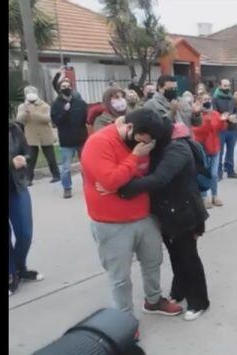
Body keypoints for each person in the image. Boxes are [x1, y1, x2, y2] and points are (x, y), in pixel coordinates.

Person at [80, 109, 183, 335]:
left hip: (144, 216)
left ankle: (153, 300)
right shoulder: (99, 143)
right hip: (111, 223)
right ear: (129, 128)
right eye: (141, 140)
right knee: (120, 277)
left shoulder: (147, 141)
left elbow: (133, 178)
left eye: (148, 142)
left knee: (153, 261)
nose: (145, 145)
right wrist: (134, 156)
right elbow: (109, 179)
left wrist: (121, 179)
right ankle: (124, 319)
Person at [110, 121, 211, 321]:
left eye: (142, 135)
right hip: (166, 212)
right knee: (176, 254)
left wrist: (122, 189)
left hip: (184, 212)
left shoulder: (178, 149)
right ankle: (179, 289)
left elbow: (159, 178)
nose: (139, 140)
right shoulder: (159, 147)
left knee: (188, 256)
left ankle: (199, 300)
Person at [9, 121, 44, 297]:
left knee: (25, 232)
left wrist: (25, 159)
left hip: (17, 187)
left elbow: (27, 151)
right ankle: (11, 273)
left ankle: (19, 267)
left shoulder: (14, 128)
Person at [51, 78, 88, 199]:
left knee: (86, 165)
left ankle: (87, 185)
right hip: (66, 141)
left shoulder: (80, 103)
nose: (66, 88)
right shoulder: (56, 104)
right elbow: (56, 121)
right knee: (66, 168)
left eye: (68, 86)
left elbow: (85, 119)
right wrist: (64, 111)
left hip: (81, 139)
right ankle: (67, 188)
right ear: (60, 89)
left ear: (71, 88)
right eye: (63, 87)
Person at [17, 86, 60, 185]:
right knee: (30, 159)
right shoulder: (22, 107)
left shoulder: (44, 105)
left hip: (45, 135)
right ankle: (28, 179)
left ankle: (56, 175)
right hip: (31, 136)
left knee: (50, 157)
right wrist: (26, 113)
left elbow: (47, 119)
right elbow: (19, 119)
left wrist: (34, 113)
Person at [192, 96, 227, 208]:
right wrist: (206, 119)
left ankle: (215, 196)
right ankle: (204, 197)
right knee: (204, 173)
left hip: (214, 147)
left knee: (214, 174)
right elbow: (198, 130)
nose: (206, 101)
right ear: (198, 102)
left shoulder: (215, 113)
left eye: (207, 99)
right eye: (203, 99)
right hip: (202, 148)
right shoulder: (197, 115)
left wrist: (223, 121)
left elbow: (220, 129)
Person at [212, 79, 237, 179]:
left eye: (228, 86)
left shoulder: (232, 98)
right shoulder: (215, 98)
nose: (227, 88)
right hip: (221, 129)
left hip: (232, 129)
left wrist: (235, 117)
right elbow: (214, 113)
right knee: (220, 152)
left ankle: (230, 171)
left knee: (231, 151)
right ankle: (219, 173)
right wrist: (225, 117)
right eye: (225, 86)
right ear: (220, 86)